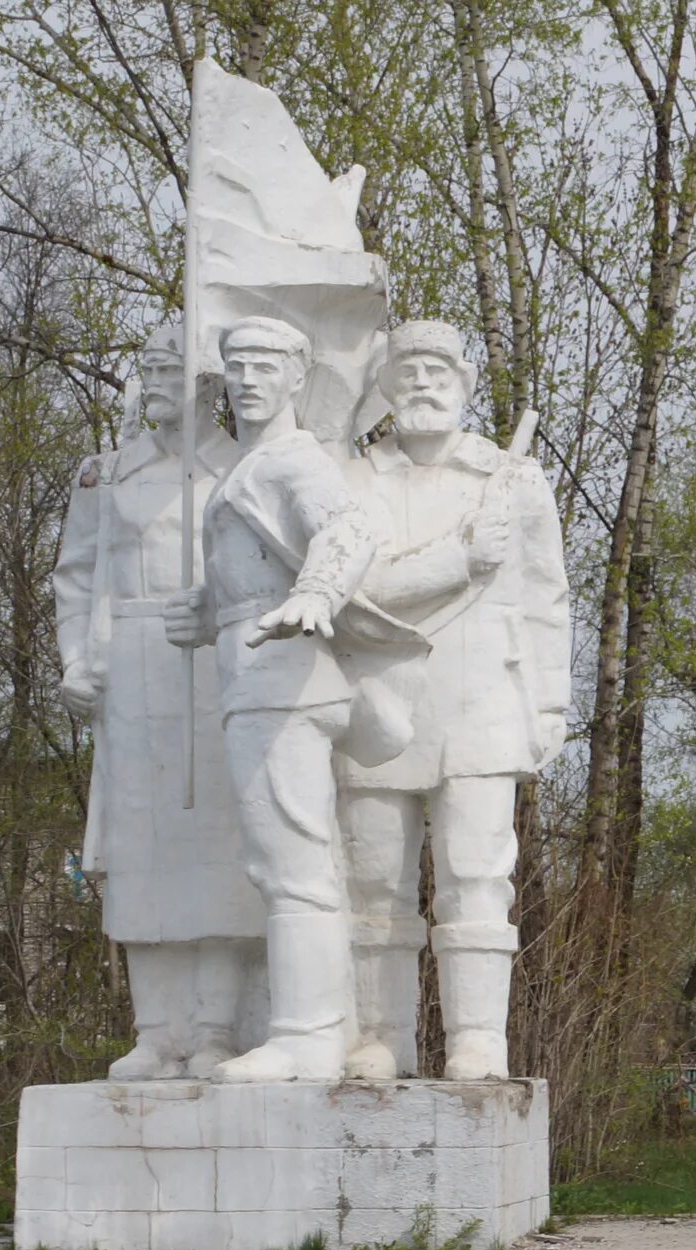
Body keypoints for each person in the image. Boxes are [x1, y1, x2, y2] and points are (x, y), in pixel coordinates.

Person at [161, 315, 419, 1083]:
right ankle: (310, 1028)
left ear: (297, 377)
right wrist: (209, 612)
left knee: (292, 861)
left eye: (267, 364)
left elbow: (349, 527)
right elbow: (250, 575)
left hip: (284, 678)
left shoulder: (293, 459)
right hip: (252, 668)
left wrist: (315, 589)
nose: (248, 378)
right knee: (285, 861)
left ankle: (306, 1035)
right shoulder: (252, 466)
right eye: (237, 364)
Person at [334, 320, 571, 1079]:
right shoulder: (355, 479)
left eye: (439, 371)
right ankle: (380, 1035)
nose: (423, 385)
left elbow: (545, 598)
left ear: (465, 385)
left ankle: (477, 1037)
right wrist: (457, 559)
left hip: (482, 698)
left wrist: (547, 706)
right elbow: (355, 585)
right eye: (407, 374)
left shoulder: (512, 479)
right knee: (373, 876)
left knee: (476, 871)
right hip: (382, 700)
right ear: (385, 389)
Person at [53, 319, 259, 1078]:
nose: (155, 382)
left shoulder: (245, 468)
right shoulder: (110, 474)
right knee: (140, 852)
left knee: (218, 848)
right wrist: (77, 658)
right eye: (150, 368)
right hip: (133, 668)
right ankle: (155, 1029)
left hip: (213, 662)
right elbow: (75, 574)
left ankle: (213, 1029)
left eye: (171, 368)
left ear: (210, 385)